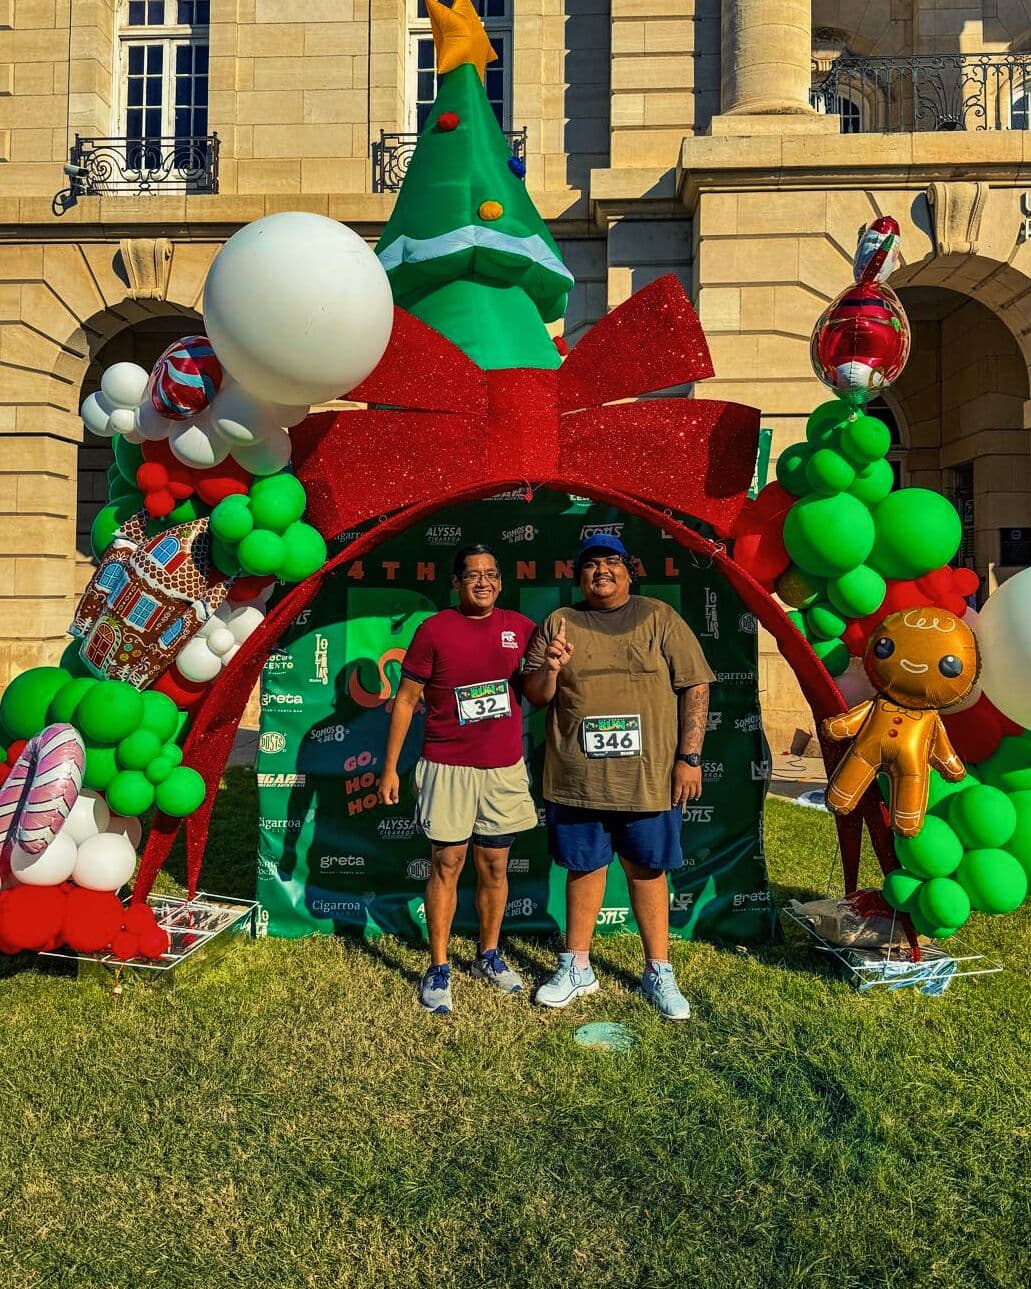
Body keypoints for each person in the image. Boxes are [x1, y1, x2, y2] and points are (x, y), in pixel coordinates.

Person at [523, 532, 714, 1021]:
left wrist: (690, 757)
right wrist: (551, 668)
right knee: (584, 867)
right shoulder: (559, 622)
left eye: (611, 562)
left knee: (647, 869)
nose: (601, 571)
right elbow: (537, 695)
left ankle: (658, 970)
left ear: (630, 571)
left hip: (647, 779)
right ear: (578, 576)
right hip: (578, 778)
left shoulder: (659, 617)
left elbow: (695, 686)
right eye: (590, 565)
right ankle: (577, 966)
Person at [378, 543, 538, 1015]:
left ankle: (488, 956)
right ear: (456, 583)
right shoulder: (434, 630)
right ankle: (439, 966)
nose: (482, 582)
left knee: (495, 867)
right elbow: (406, 700)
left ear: (501, 582)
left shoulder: (520, 629)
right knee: (446, 864)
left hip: (502, 770)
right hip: (447, 768)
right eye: (472, 575)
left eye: (490, 574)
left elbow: (542, 688)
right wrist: (390, 768)